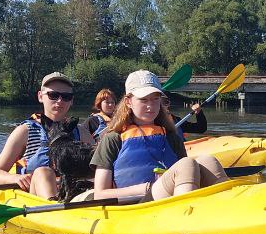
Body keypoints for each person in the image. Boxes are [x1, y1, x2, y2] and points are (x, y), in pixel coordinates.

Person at [90, 70, 228, 202]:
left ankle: (229, 211)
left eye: (155, 99)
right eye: (144, 100)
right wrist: (148, 187)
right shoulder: (113, 139)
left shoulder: (171, 137)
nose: (151, 106)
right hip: (134, 204)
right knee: (186, 165)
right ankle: (183, 215)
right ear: (128, 102)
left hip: (165, 196)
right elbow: (100, 194)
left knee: (208, 161)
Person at [0, 72, 94, 200]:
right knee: (43, 172)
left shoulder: (81, 132)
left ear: (71, 101)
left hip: (72, 194)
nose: (59, 101)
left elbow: (99, 168)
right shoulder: (25, 131)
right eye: (53, 95)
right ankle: (54, 208)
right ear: (40, 96)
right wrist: (16, 178)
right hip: (36, 198)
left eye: (66, 96)